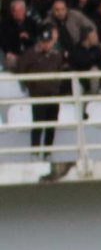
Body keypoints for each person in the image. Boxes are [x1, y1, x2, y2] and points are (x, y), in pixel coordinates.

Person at [13, 25, 65, 161]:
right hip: (38, 95)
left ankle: (48, 153)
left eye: (48, 42)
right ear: (40, 41)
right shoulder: (30, 55)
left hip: (53, 94)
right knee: (38, 124)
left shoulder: (56, 55)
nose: (46, 44)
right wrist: (31, 85)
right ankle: (35, 153)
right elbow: (20, 71)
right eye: (44, 41)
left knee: (51, 125)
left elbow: (59, 70)